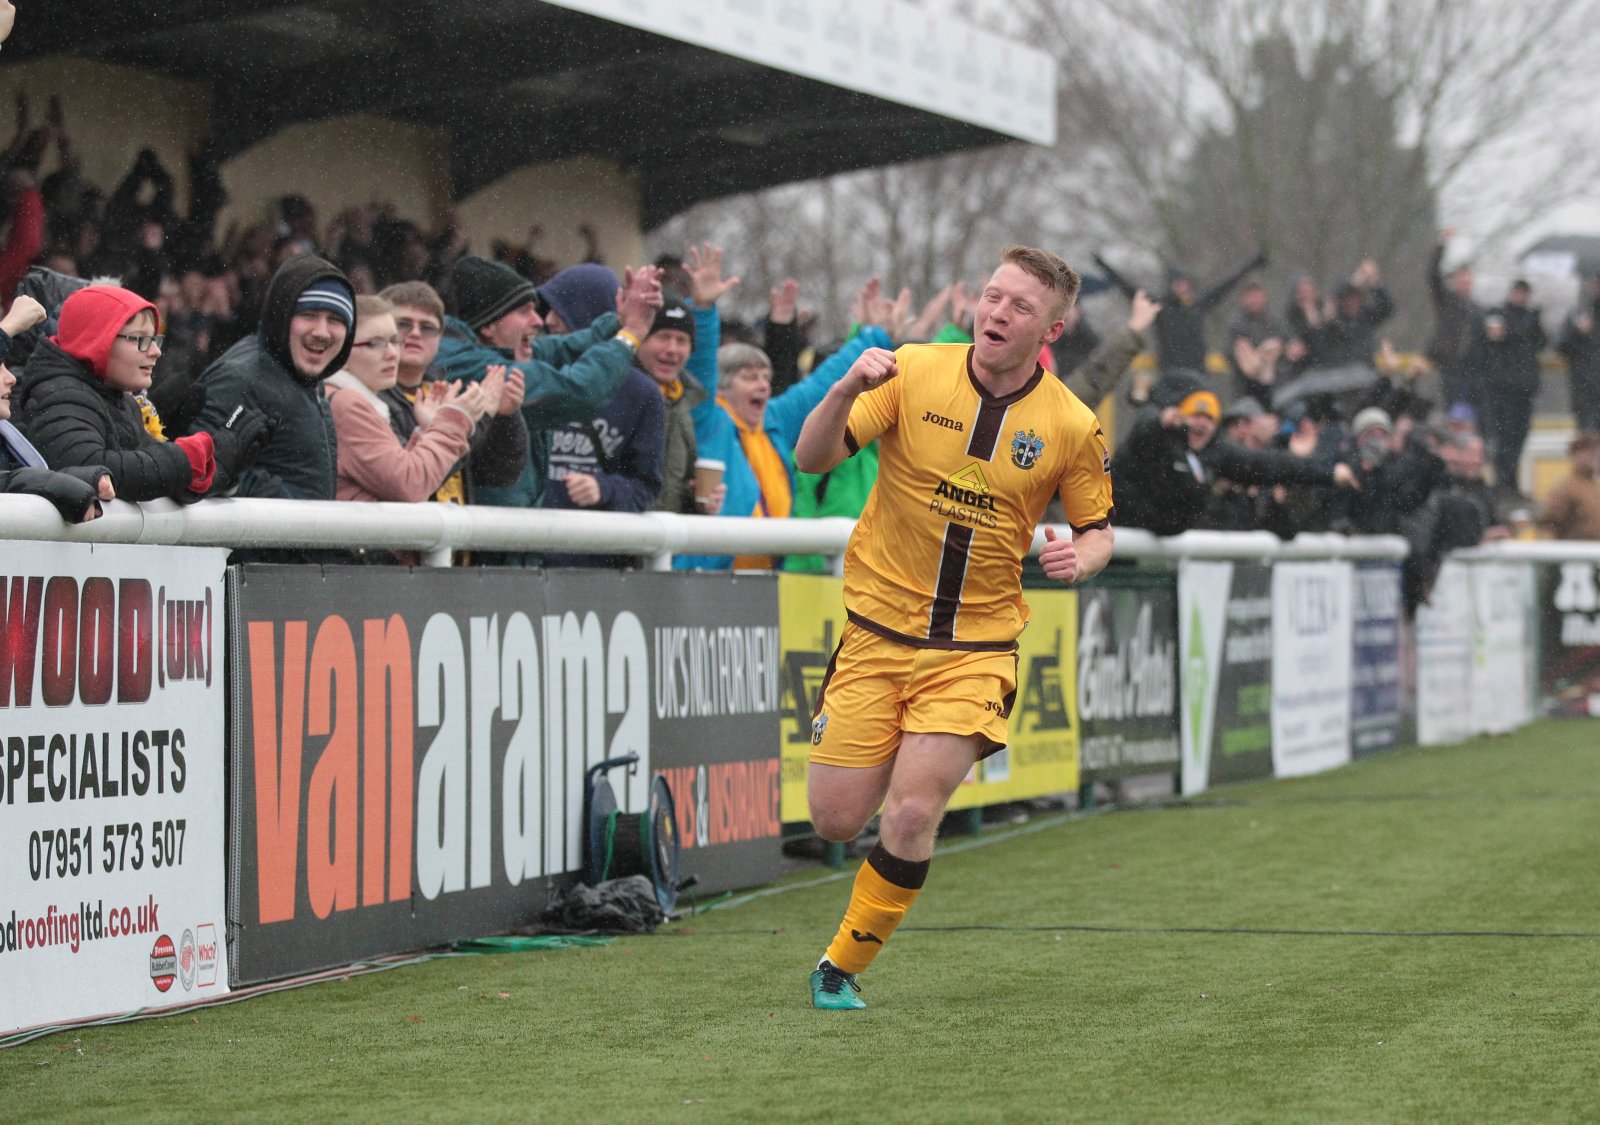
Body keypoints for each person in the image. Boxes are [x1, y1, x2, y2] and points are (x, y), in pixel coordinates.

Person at [790, 246, 1114, 1011]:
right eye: (993, 296)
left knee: (910, 811)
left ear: (1052, 330)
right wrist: (843, 388)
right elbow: (810, 458)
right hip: (874, 633)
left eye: (1019, 307)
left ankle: (839, 965)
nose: (997, 313)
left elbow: (1100, 529)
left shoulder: (1071, 425)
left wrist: (1083, 557)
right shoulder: (909, 370)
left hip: (973, 650)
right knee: (835, 817)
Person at [433, 254, 662, 514]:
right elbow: (576, 390)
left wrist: (619, 320)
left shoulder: (483, 351)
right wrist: (630, 336)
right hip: (483, 544)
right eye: (524, 311)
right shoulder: (474, 368)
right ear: (489, 325)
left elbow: (560, 348)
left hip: (497, 540)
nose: (539, 321)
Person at [14, 285, 270, 502]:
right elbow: (95, 470)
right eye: (140, 340)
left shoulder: (123, 402)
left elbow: (163, 483)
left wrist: (219, 465)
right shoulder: (59, 396)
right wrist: (187, 457)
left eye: (154, 339)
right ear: (96, 340)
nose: (155, 352)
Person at [534, 267, 668, 568]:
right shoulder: (538, 376)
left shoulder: (642, 394)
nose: (548, 320)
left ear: (590, 313)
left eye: (560, 310)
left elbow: (647, 487)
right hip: (525, 557)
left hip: (596, 570)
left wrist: (604, 489)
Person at [1112, 373, 1357, 537]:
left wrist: (1329, 472)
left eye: (1209, 418)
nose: (1202, 423)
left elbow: (1271, 465)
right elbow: (1141, 433)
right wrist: (1159, 422)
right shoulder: (1158, 437)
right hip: (1115, 540)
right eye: (1195, 415)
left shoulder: (1216, 453)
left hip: (1160, 555)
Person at [192, 254, 356, 500]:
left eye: (335, 320)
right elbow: (198, 468)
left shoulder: (305, 380)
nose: (322, 332)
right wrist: (290, 513)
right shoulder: (241, 377)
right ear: (281, 315)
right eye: (309, 315)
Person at [323, 294, 492, 508]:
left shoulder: (352, 399)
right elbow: (410, 485)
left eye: (394, 341)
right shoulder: (346, 403)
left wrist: (429, 431)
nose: (393, 353)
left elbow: (399, 479)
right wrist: (453, 421)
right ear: (339, 353)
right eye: (375, 343)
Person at [378, 280, 529, 508]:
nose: (416, 334)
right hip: (407, 540)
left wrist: (505, 416)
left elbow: (499, 473)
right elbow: (415, 480)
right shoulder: (371, 397)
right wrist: (478, 416)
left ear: (440, 338)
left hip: (454, 540)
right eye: (403, 324)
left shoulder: (447, 392)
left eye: (427, 327)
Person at [0, 297, 114, 523]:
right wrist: (8, 326)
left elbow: (18, 475)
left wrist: (83, 479)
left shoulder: (9, 435)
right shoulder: (60, 398)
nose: (11, 377)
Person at [1093, 248, 1267, 375]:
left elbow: (1226, 284)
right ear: (1170, 284)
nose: (1183, 287)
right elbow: (1130, 289)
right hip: (1170, 377)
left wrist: (1252, 264)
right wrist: (1105, 267)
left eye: (1186, 283)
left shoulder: (1198, 306)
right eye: (1179, 283)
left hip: (1198, 375)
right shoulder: (1161, 308)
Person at [1476, 280, 1546, 496]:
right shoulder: (1499, 314)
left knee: (1518, 437)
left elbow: (1542, 342)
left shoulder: (1531, 317)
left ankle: (1511, 482)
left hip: (1523, 390)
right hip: (1503, 389)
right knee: (1505, 437)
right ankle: (1503, 483)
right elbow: (1494, 339)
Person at [1426, 228, 1483, 417]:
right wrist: (1442, 246)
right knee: (1455, 412)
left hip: (1474, 369)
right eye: (1462, 278)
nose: (1466, 282)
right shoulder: (1447, 301)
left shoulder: (1477, 309)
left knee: (1474, 414)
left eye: (1469, 278)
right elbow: (1432, 275)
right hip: (1452, 366)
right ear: (1454, 281)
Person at [1556, 277, 1600, 434]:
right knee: (1589, 435)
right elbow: (1560, 345)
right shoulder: (1580, 314)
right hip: (1585, 387)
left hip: (1587, 385)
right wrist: (1578, 332)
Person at [1539, 431, 1600, 541]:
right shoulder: (1564, 487)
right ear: (1574, 455)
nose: (1593, 455)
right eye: (1587, 450)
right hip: (1577, 554)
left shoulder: (1596, 486)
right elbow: (1550, 525)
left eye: (1595, 450)